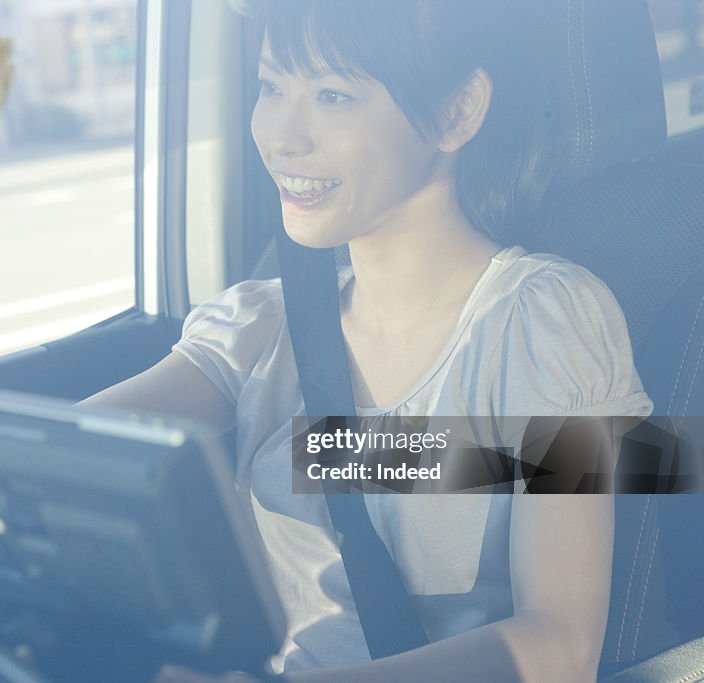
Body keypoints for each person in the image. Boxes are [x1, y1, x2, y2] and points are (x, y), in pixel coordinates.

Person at [80, 1, 652, 681]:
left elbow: (561, 646)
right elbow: (73, 446)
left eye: (332, 95)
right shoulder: (258, 327)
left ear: (457, 111)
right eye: (270, 87)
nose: (282, 137)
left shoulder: (548, 324)